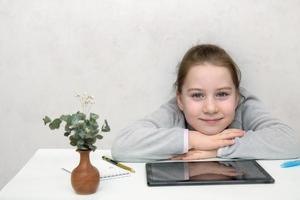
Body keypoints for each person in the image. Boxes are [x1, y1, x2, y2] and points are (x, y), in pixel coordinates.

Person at [111, 44, 300, 162]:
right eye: (197, 95)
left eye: (222, 94)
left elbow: (292, 143)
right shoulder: (174, 111)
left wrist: (217, 149)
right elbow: (122, 146)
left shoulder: (244, 105)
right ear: (180, 100)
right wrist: (195, 140)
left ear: (236, 97)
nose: (210, 108)